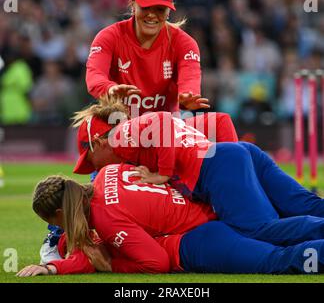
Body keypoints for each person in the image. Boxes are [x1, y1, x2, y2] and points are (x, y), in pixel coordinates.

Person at [72, 102, 324, 247]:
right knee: (301, 203)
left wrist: (163, 174)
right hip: (240, 153)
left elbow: (161, 122)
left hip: (220, 166)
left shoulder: (119, 137)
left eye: (90, 160)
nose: (94, 169)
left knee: (256, 231)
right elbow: (222, 120)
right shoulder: (139, 141)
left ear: (98, 142)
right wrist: (240, 169)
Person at [17, 164, 324, 276]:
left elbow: (156, 263)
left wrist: (111, 264)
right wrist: (52, 267)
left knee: (277, 259)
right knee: (282, 228)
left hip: (198, 240)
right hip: (211, 205)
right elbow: (80, 259)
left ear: (60, 215)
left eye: (55, 223)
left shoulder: (104, 218)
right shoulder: (107, 173)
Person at [86, 0, 211, 114]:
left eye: (160, 9)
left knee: (222, 121)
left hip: (164, 127)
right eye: (146, 7)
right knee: (87, 128)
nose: (152, 15)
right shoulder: (108, 37)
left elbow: (189, 80)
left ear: (168, 12)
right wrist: (109, 89)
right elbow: (95, 76)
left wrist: (187, 95)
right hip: (118, 123)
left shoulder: (185, 44)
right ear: (132, 4)